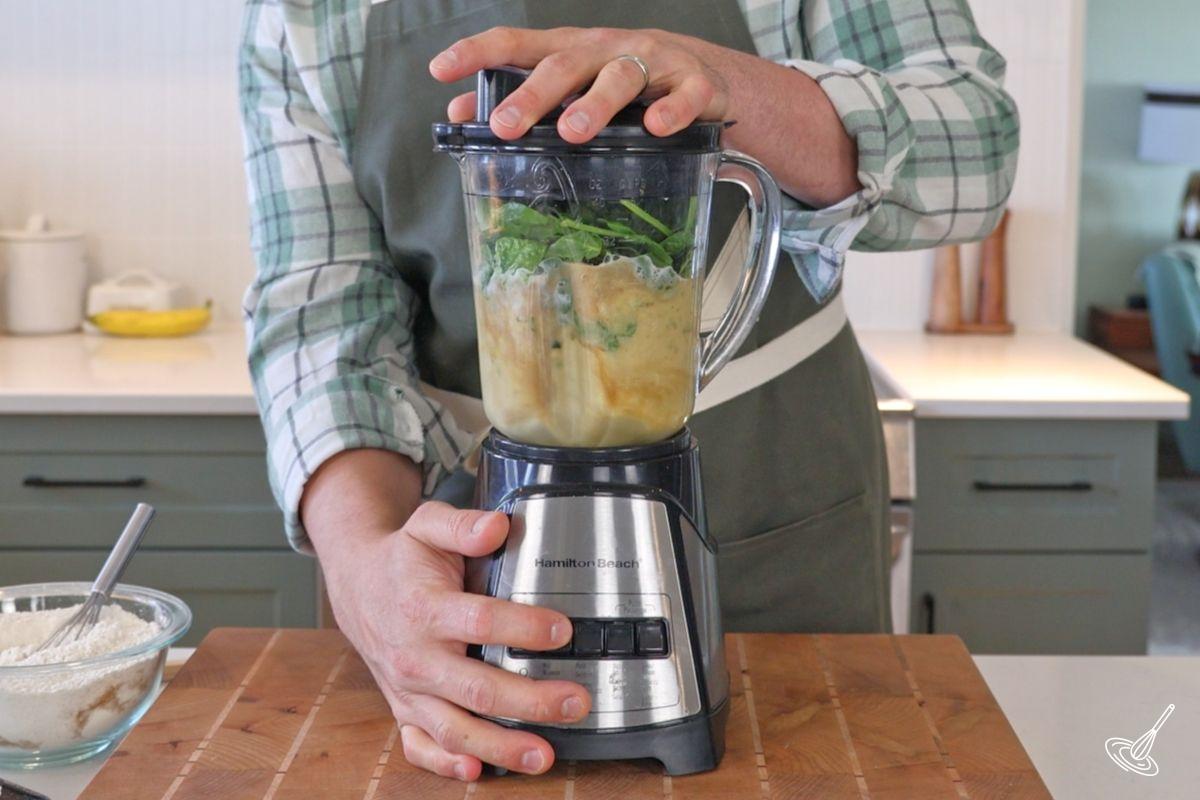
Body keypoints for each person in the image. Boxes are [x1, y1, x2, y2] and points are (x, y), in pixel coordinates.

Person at [238, 0, 1018, 782]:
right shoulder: (302, 14)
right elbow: (323, 317)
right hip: (481, 543)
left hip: (787, 523)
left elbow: (978, 150)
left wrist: (735, 92)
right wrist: (363, 566)